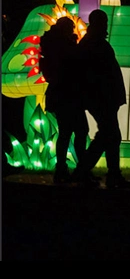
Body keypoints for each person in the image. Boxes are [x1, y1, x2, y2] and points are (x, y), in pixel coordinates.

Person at [75, 9, 130, 189]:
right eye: (104, 21)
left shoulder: (91, 42)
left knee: (108, 135)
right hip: (103, 98)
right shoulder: (95, 43)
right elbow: (100, 74)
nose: (107, 24)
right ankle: (92, 171)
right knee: (110, 135)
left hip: (101, 98)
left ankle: (90, 171)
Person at [39, 16, 91, 184]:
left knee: (66, 133)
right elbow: (74, 68)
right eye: (70, 28)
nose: (73, 31)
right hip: (70, 96)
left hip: (59, 95)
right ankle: (79, 169)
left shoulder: (52, 45)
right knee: (80, 131)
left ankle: (63, 168)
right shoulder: (65, 47)